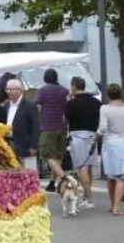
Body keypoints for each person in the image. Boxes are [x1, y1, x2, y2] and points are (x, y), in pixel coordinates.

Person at [65, 76, 100, 209]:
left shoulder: (71, 103)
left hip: (77, 137)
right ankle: (86, 197)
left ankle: (88, 198)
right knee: (89, 166)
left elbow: (65, 119)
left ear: (74, 86)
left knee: (82, 167)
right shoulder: (96, 102)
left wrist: (68, 101)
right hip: (92, 135)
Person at [35, 68, 69, 192]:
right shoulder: (65, 91)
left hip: (48, 127)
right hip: (62, 127)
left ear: (45, 78)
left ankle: (64, 178)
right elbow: (67, 108)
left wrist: (41, 118)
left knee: (47, 155)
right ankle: (51, 183)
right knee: (57, 156)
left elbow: (38, 107)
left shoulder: (43, 90)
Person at [98, 84, 124, 216]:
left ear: (108, 94)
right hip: (121, 143)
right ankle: (117, 207)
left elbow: (102, 128)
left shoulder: (104, 108)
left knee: (111, 176)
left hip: (108, 143)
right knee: (121, 176)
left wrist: (96, 136)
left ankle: (112, 204)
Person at [5, 79, 40, 171]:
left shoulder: (29, 106)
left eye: (11, 89)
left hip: (25, 145)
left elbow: (36, 127)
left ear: (19, 90)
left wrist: (34, 146)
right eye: (7, 89)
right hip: (9, 144)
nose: (9, 92)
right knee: (12, 173)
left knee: (28, 173)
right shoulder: (6, 106)